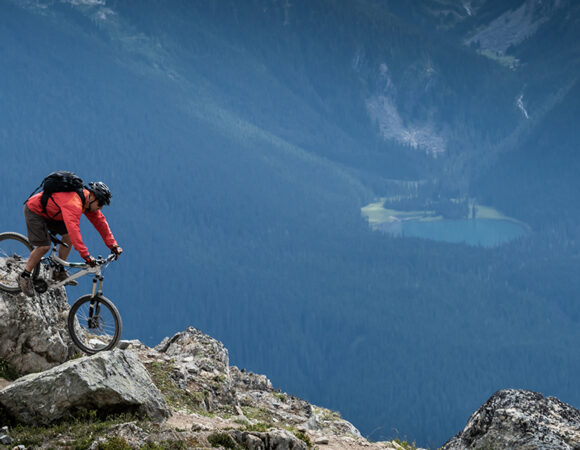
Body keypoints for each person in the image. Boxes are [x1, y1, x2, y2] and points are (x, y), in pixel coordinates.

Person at [18, 181, 123, 297]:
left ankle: (59, 271)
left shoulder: (88, 202)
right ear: (92, 196)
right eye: (100, 203)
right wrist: (86, 256)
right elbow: (74, 231)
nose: (101, 207)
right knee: (44, 246)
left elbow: (101, 224)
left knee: (67, 236)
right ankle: (24, 276)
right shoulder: (74, 203)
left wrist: (113, 245)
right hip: (36, 211)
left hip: (53, 214)